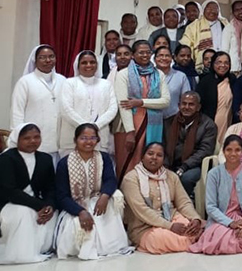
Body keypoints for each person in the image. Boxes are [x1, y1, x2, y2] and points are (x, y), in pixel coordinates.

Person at [53, 124, 131, 260]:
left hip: (98, 200)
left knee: (111, 203)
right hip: (74, 205)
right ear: (75, 140)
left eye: (92, 138)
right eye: (83, 138)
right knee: (77, 233)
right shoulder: (64, 163)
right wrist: (80, 211)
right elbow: (61, 196)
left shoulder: (104, 158)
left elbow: (110, 180)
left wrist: (105, 196)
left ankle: (109, 246)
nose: (88, 142)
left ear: (98, 140)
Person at [122, 142, 204, 253]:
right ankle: (196, 242)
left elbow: (184, 202)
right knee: (172, 239)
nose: (154, 158)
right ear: (142, 156)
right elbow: (141, 210)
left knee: (193, 230)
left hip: (171, 217)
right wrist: (170, 226)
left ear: (164, 159)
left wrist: (195, 219)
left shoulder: (171, 176)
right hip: (143, 227)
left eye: (159, 155)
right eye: (150, 154)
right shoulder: (131, 179)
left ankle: (196, 239)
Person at [190, 134, 242, 255]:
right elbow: (211, 206)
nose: (233, 154)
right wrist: (230, 223)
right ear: (223, 151)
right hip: (221, 219)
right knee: (212, 240)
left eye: (237, 150)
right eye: (229, 150)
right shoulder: (214, 174)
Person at [0, 123, 57, 264]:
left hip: (37, 204)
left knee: (53, 214)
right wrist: (39, 206)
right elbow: (10, 191)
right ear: (17, 140)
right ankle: (21, 254)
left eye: (36, 137)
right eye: (27, 138)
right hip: (8, 204)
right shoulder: (6, 158)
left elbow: (51, 188)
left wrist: (49, 205)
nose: (33, 141)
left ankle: (39, 249)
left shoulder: (45, 159)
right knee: (23, 212)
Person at [113, 41, 170, 180]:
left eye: (147, 52)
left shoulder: (159, 74)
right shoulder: (123, 74)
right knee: (128, 163)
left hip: (152, 124)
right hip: (128, 126)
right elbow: (124, 105)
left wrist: (141, 102)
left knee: (149, 159)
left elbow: (166, 101)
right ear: (133, 55)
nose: (145, 55)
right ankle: (127, 197)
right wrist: (130, 132)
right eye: (141, 52)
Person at [12, 45, 67, 159]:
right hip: (34, 144)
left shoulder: (63, 80)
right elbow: (17, 112)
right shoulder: (25, 82)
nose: (48, 60)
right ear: (35, 60)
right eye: (42, 57)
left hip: (59, 144)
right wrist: (20, 138)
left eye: (51, 56)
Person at [58, 51, 117, 156]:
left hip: (99, 139)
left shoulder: (106, 84)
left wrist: (96, 126)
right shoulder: (69, 83)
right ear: (78, 65)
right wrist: (86, 128)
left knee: (97, 171)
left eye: (92, 62)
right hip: (72, 140)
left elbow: (112, 109)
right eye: (84, 63)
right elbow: (66, 109)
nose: (88, 65)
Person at [164, 91, 217, 197]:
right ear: (179, 105)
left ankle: (184, 207)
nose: (187, 107)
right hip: (170, 164)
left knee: (186, 179)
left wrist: (185, 166)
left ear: (198, 107)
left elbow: (205, 151)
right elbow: (162, 147)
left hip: (194, 166)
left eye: (191, 104)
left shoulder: (208, 125)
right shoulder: (168, 122)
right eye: (184, 103)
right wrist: (164, 166)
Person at [196, 51, 238, 142]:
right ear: (213, 64)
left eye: (226, 62)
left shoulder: (232, 80)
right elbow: (199, 105)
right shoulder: (205, 81)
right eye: (219, 62)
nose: (223, 65)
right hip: (210, 122)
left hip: (228, 121)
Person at [181, 0, 228, 68]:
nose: (212, 11)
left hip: (222, 64)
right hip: (202, 64)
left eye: (215, 8)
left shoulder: (225, 24)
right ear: (203, 10)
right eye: (209, 8)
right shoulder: (194, 26)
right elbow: (186, 45)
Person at [157, 45, 191, 119]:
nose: (164, 58)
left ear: (172, 58)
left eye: (167, 56)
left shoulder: (181, 76)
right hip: (152, 119)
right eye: (160, 55)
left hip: (174, 119)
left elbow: (186, 99)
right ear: (155, 58)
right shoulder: (149, 76)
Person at [222, 0, 242, 71]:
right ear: (233, 13)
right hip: (234, 67)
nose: (240, 12)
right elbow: (224, 49)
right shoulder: (229, 28)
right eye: (236, 10)